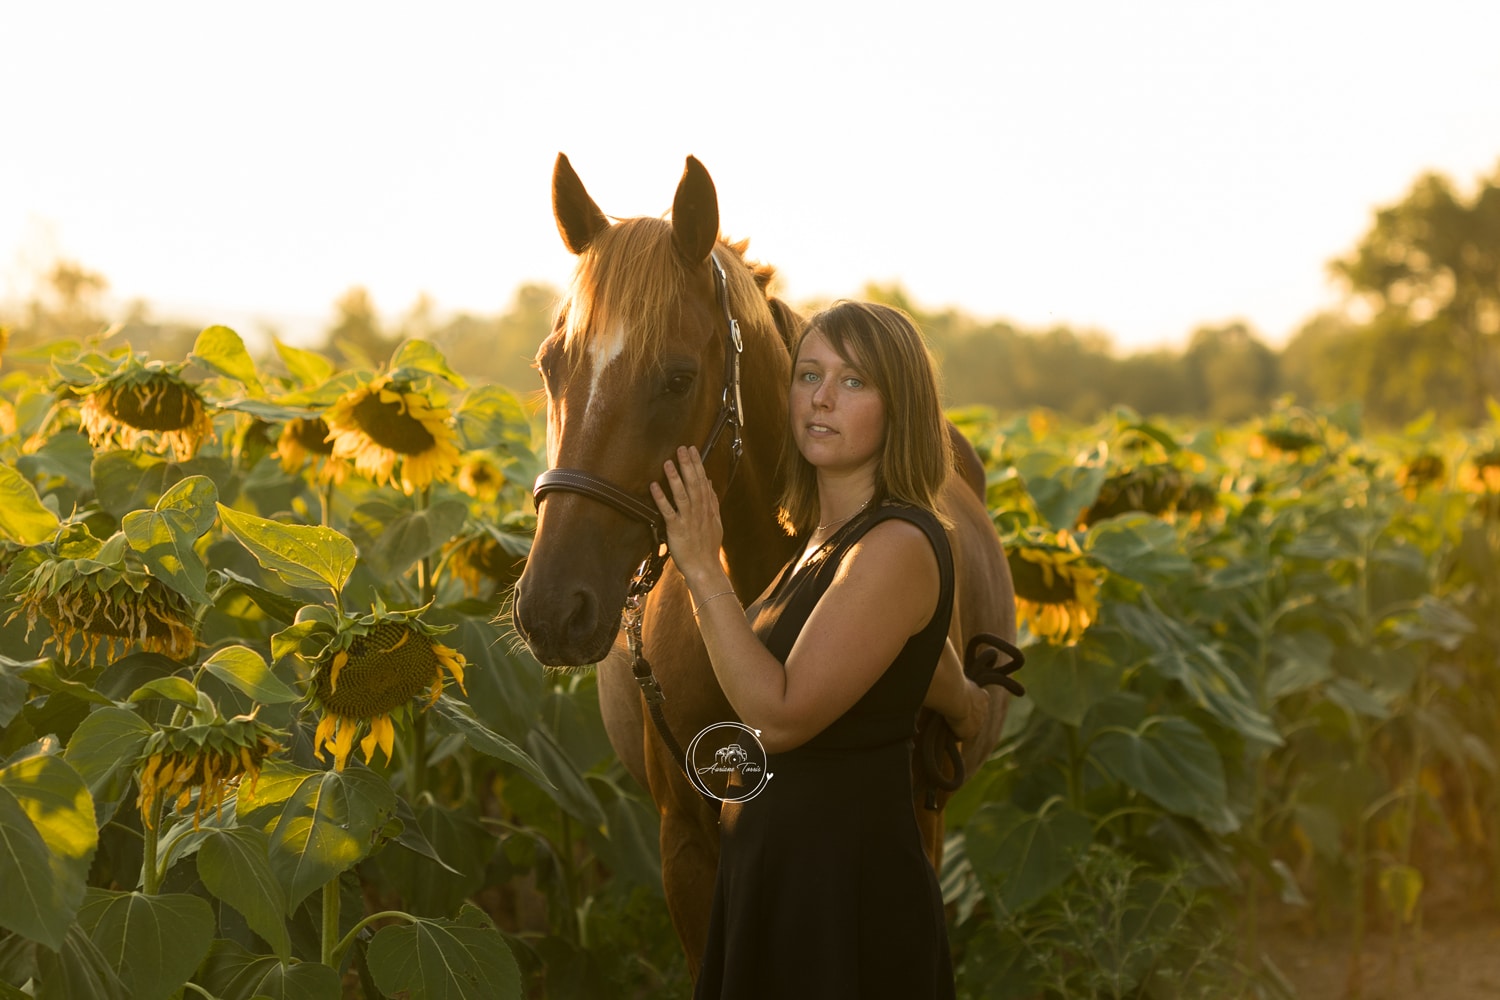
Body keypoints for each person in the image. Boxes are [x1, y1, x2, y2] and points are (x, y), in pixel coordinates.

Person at [649, 300, 988, 999]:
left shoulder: (894, 545)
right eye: (809, 374)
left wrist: (702, 568)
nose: (822, 397)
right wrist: (964, 703)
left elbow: (779, 716)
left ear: (902, 409)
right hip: (784, 880)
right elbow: (911, 657)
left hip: (841, 897)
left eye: (855, 381)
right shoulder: (821, 545)